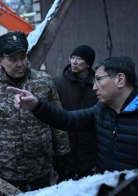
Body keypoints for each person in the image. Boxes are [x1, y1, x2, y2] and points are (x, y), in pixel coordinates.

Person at [7, 56, 138, 195]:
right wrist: (37, 105)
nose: (94, 87)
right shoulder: (102, 110)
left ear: (120, 80)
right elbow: (68, 119)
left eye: (98, 79)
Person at [0, 31, 70, 192]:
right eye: (13, 59)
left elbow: (57, 119)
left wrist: (62, 154)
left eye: (23, 57)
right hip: (6, 171)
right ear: (1, 60)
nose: (20, 63)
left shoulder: (44, 82)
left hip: (41, 165)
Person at [52, 45, 98, 182]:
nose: (74, 61)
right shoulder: (58, 83)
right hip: (65, 149)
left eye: (79, 58)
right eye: (72, 57)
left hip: (89, 149)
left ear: (89, 63)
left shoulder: (98, 85)